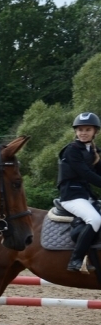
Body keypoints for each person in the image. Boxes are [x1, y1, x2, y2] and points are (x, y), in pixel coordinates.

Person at [58, 112, 101, 271]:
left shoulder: (93, 151)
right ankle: (75, 260)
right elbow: (87, 174)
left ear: (95, 132)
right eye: (80, 129)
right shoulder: (72, 150)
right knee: (95, 220)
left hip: (86, 195)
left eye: (87, 129)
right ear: (75, 131)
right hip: (71, 196)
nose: (83, 133)